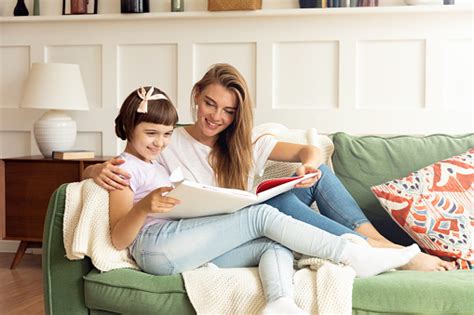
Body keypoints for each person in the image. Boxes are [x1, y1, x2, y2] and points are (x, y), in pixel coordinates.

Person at [85, 64, 454, 272]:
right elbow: (128, 167)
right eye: (210, 104)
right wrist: (93, 172)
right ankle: (387, 254)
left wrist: (305, 168)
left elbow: (310, 151)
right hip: (214, 227)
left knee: (315, 177)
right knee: (268, 209)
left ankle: (381, 244)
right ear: (196, 95)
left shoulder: (242, 144)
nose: (216, 117)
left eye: (228, 111)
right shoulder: (168, 142)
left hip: (250, 211)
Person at [106, 85, 421, 314]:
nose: (160, 142)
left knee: (272, 243)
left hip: (180, 246)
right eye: (151, 134)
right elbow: (120, 238)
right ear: (128, 127)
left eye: (165, 134)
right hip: (154, 246)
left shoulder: (156, 161)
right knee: (261, 217)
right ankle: (353, 253)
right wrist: (143, 205)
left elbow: (308, 156)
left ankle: (280, 302)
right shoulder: (124, 168)